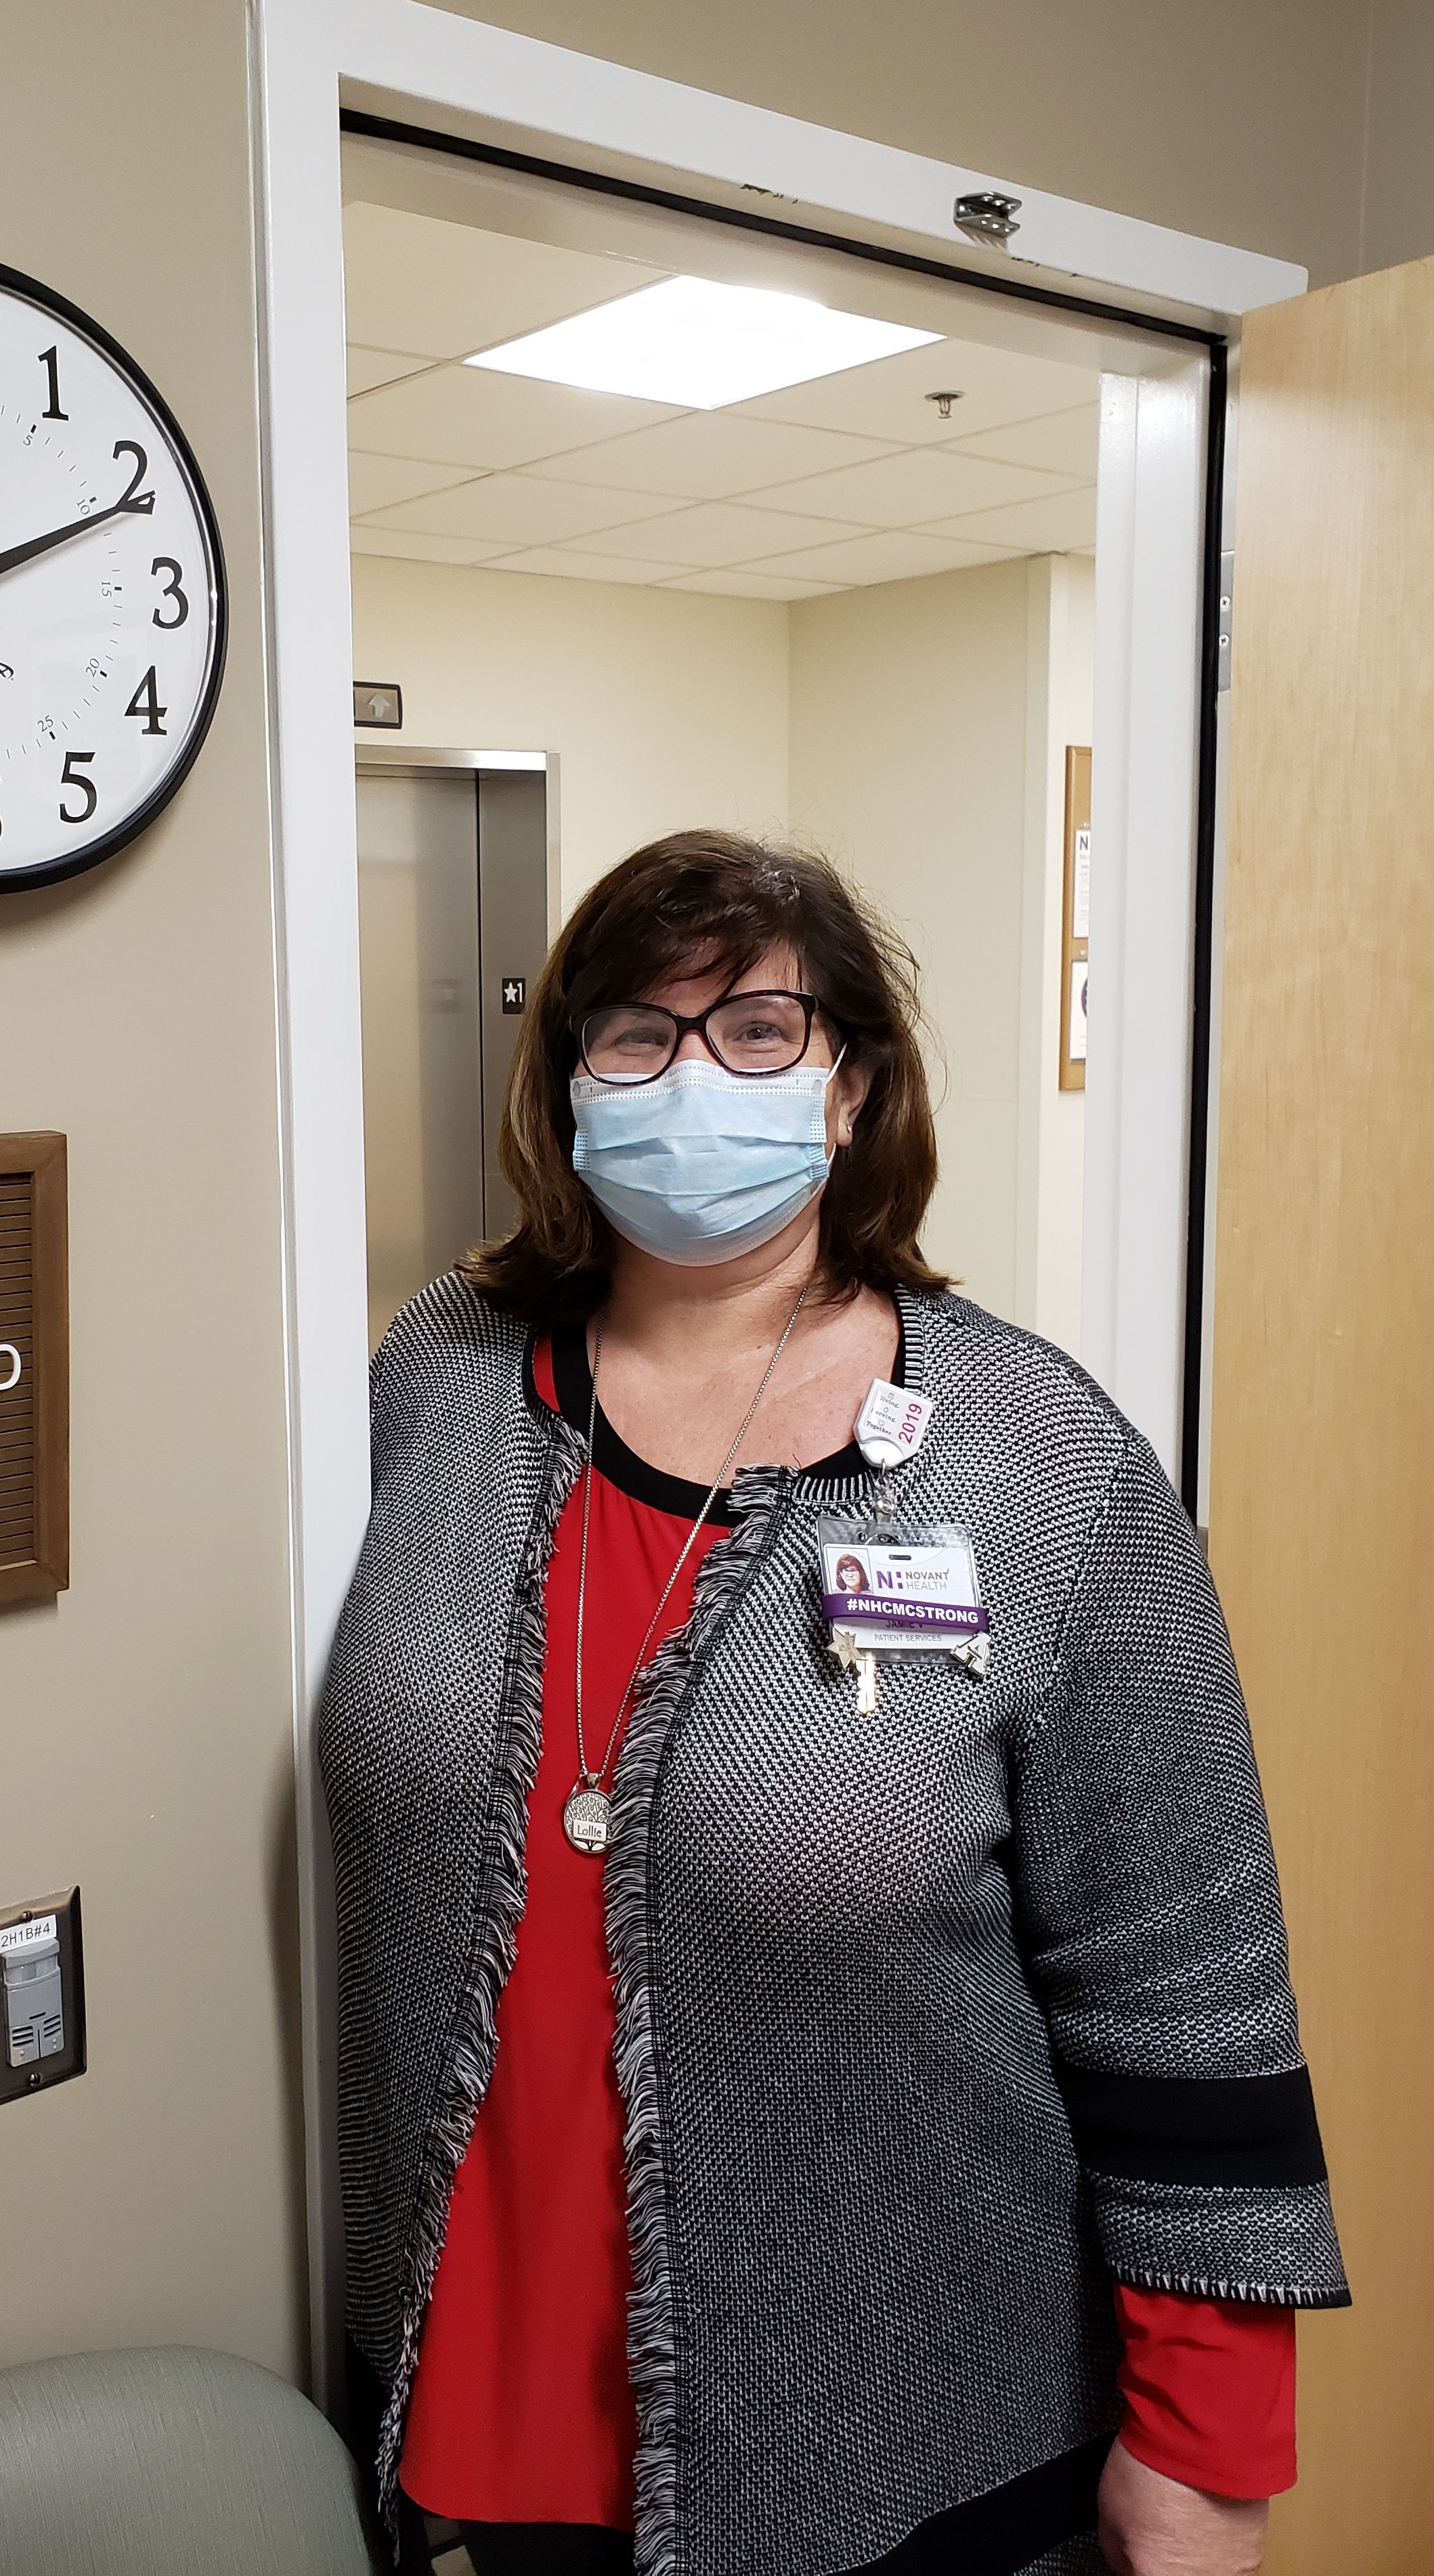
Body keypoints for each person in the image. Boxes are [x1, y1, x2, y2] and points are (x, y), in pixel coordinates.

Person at [320, 833, 1344, 2576]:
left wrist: (1203, 2460)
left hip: (900, 2442)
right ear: (568, 1083)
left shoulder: (1044, 1468)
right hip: (469, 2427)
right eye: (637, 1034)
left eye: (760, 1033)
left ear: (853, 1087)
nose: (691, 1079)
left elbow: (1187, 1996)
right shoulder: (429, 1386)